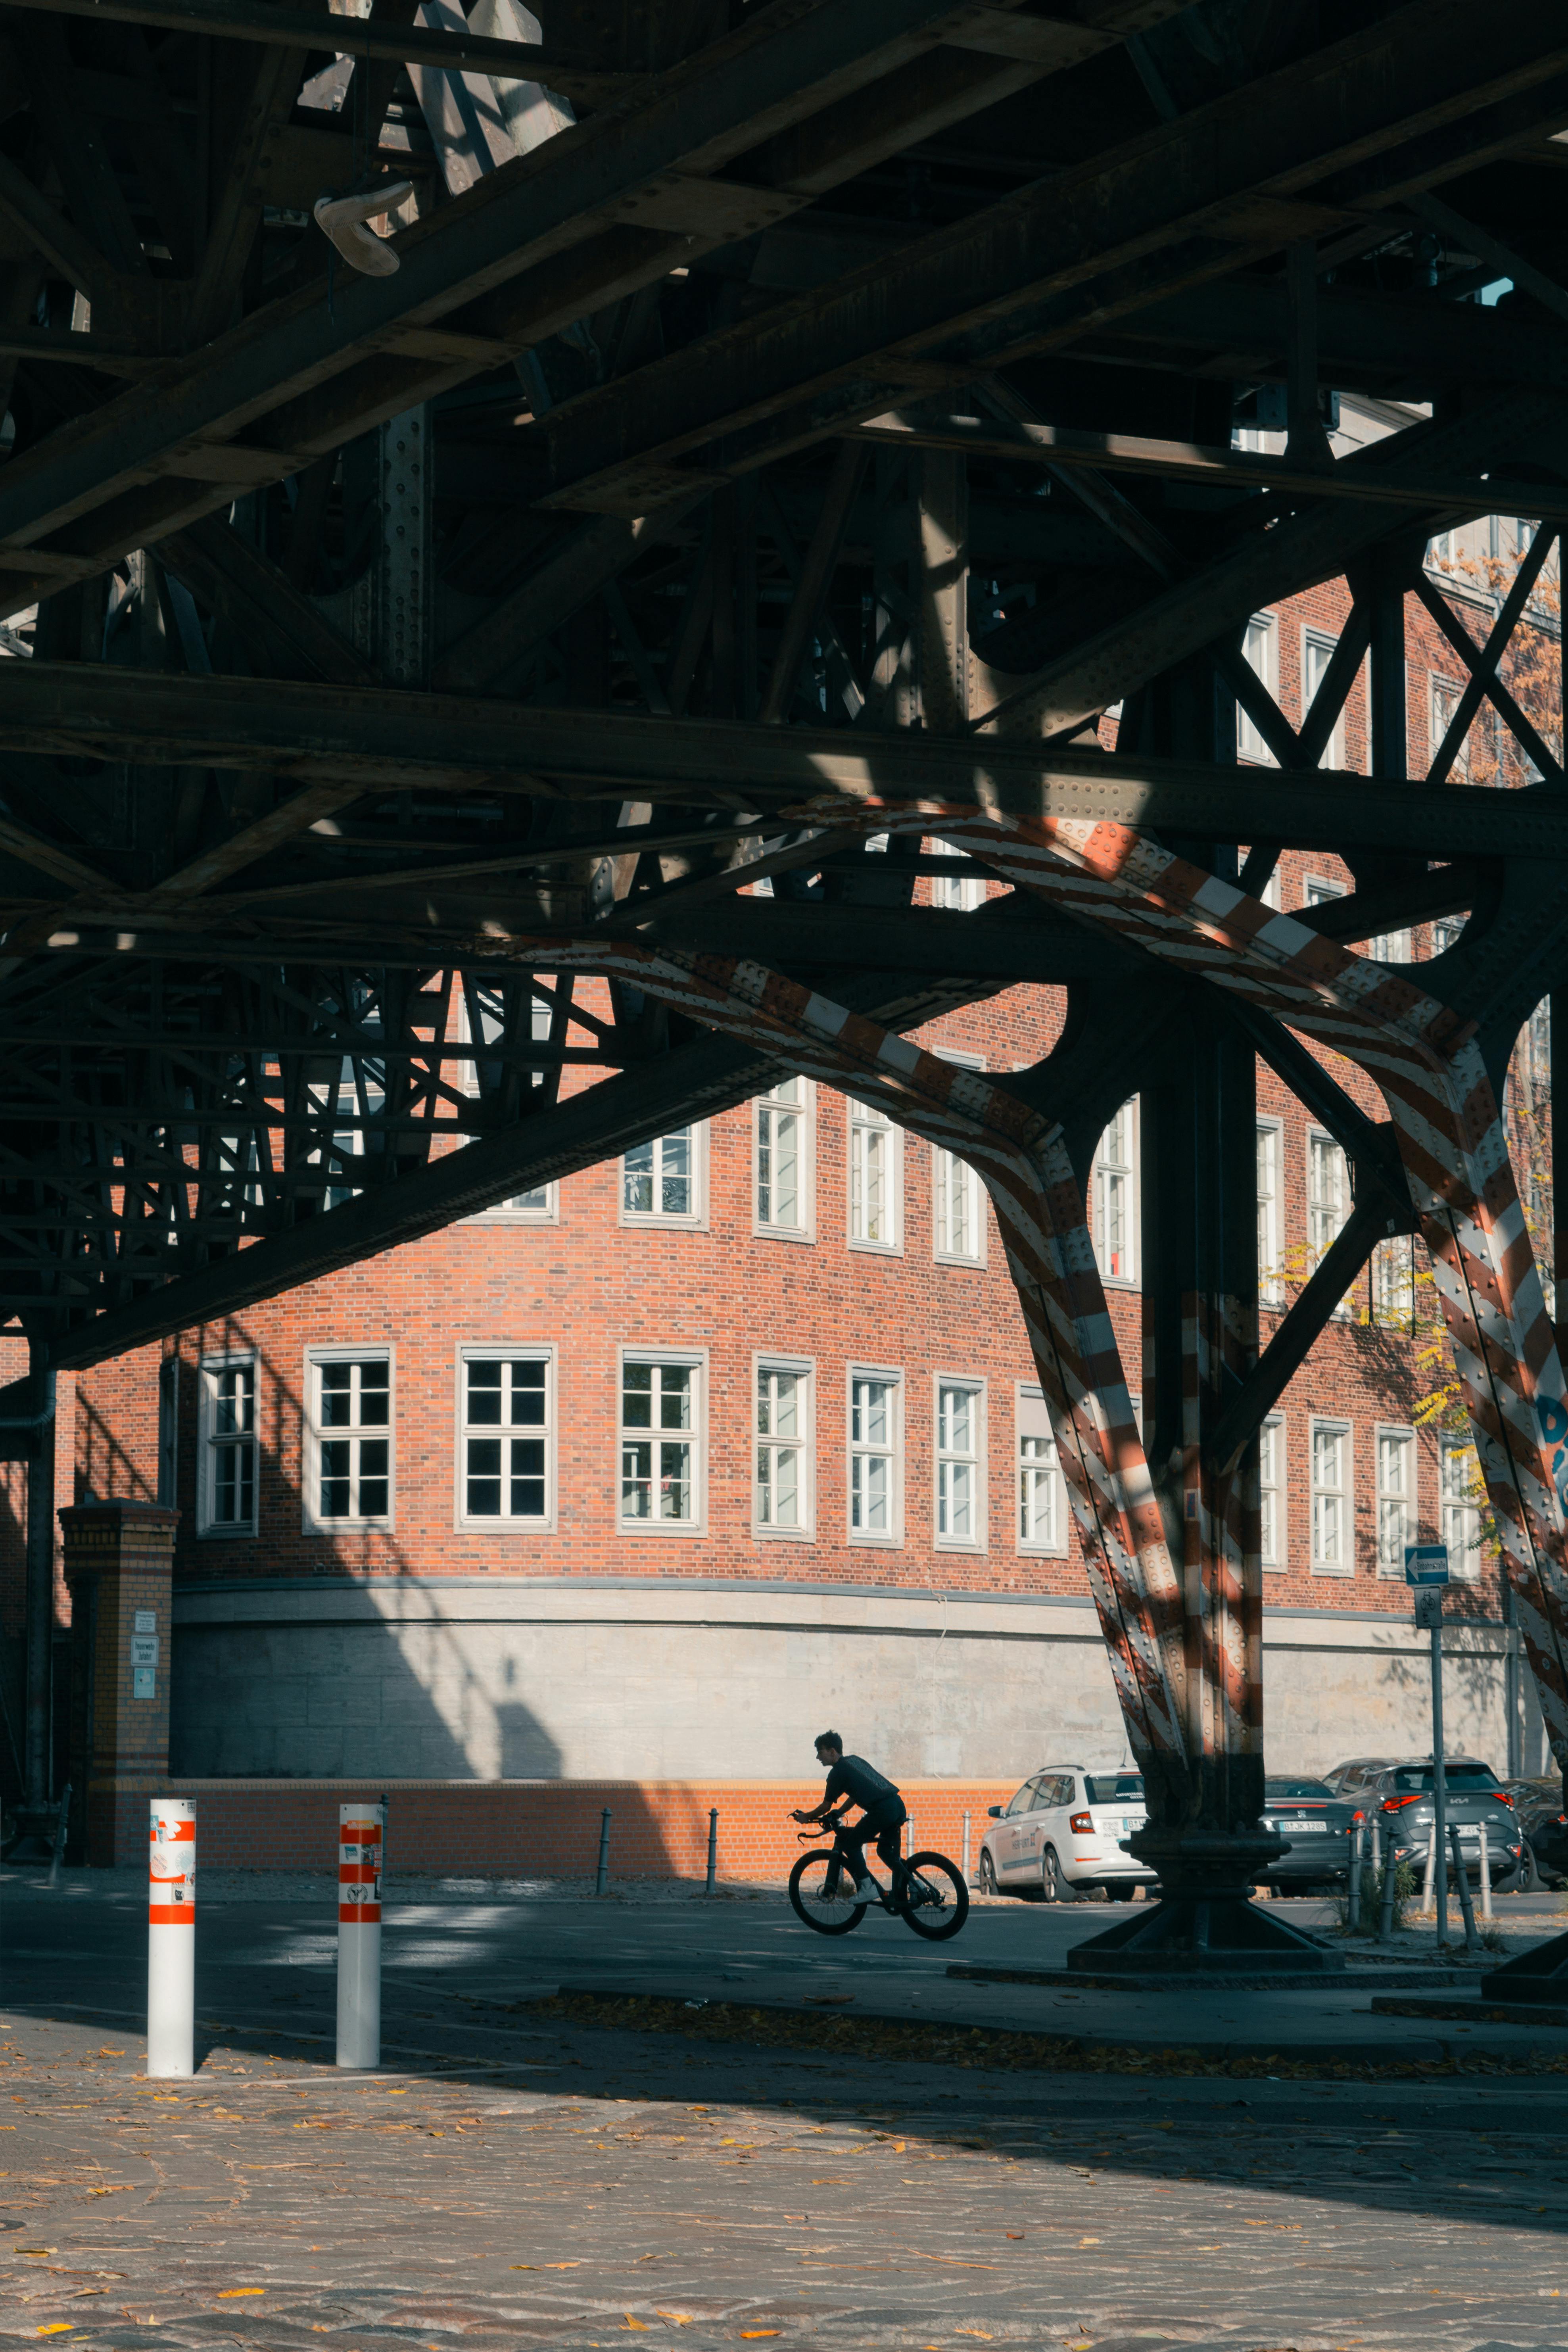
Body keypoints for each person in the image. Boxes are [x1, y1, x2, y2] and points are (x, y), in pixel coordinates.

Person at [791, 1731, 907, 1905]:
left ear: (832, 1751)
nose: (818, 1757)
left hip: (881, 1811)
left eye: (820, 1752)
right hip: (897, 1805)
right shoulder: (854, 1761)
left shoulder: (837, 1773)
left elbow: (825, 1806)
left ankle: (868, 1888)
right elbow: (853, 1796)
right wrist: (840, 1811)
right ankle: (915, 1886)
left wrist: (806, 1817)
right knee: (884, 1852)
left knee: (851, 1844)